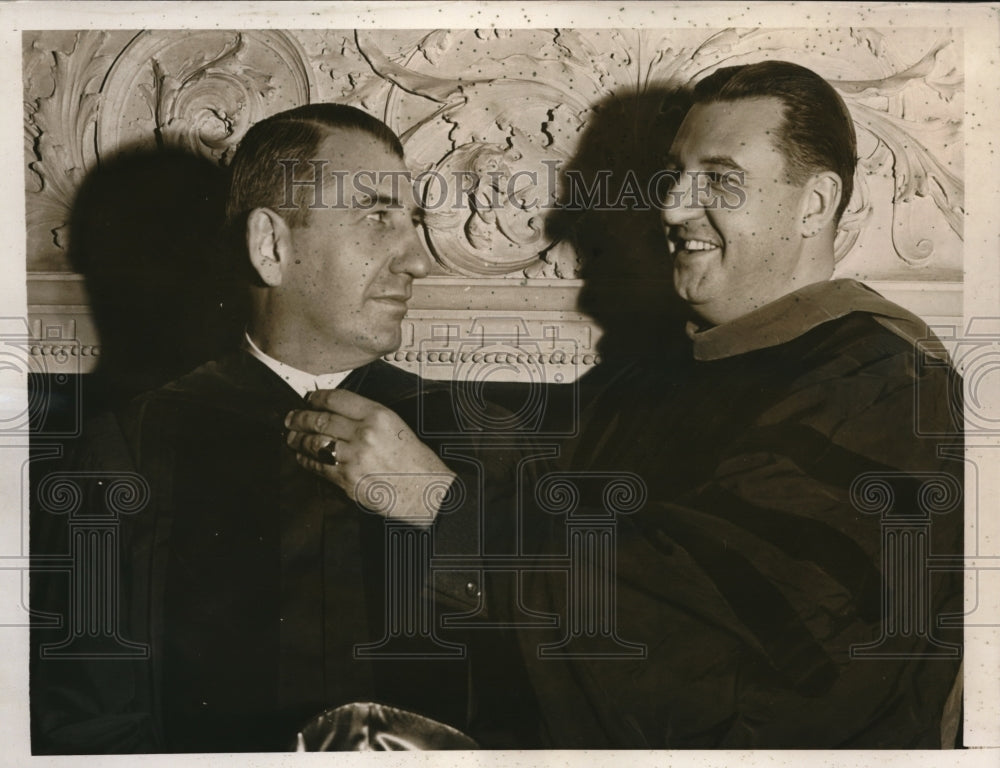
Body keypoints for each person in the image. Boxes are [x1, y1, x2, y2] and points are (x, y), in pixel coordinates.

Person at [31, 104, 533, 753]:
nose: (417, 260)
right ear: (272, 246)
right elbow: (87, 727)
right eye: (377, 216)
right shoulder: (126, 451)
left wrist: (449, 511)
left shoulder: (484, 442)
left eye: (411, 222)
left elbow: (569, 681)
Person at [517, 60, 964, 748]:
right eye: (676, 175)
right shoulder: (655, 374)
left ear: (814, 204)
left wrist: (442, 509)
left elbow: (738, 661)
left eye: (721, 180)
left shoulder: (886, 387)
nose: (670, 207)